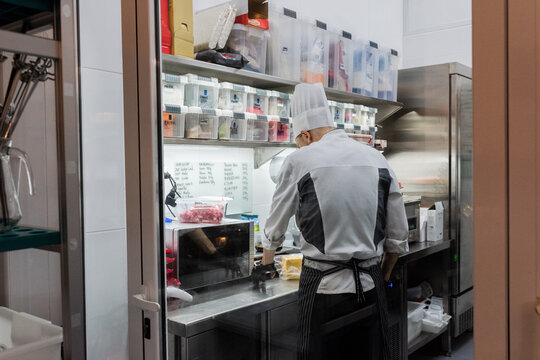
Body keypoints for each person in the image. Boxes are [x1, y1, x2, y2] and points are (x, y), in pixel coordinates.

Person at [252, 83, 409, 359]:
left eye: (298, 141)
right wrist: (381, 276)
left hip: (322, 287)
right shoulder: (377, 159)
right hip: (371, 284)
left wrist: (266, 265)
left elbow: (275, 225)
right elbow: (397, 238)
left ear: (305, 134)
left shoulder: (299, 160)